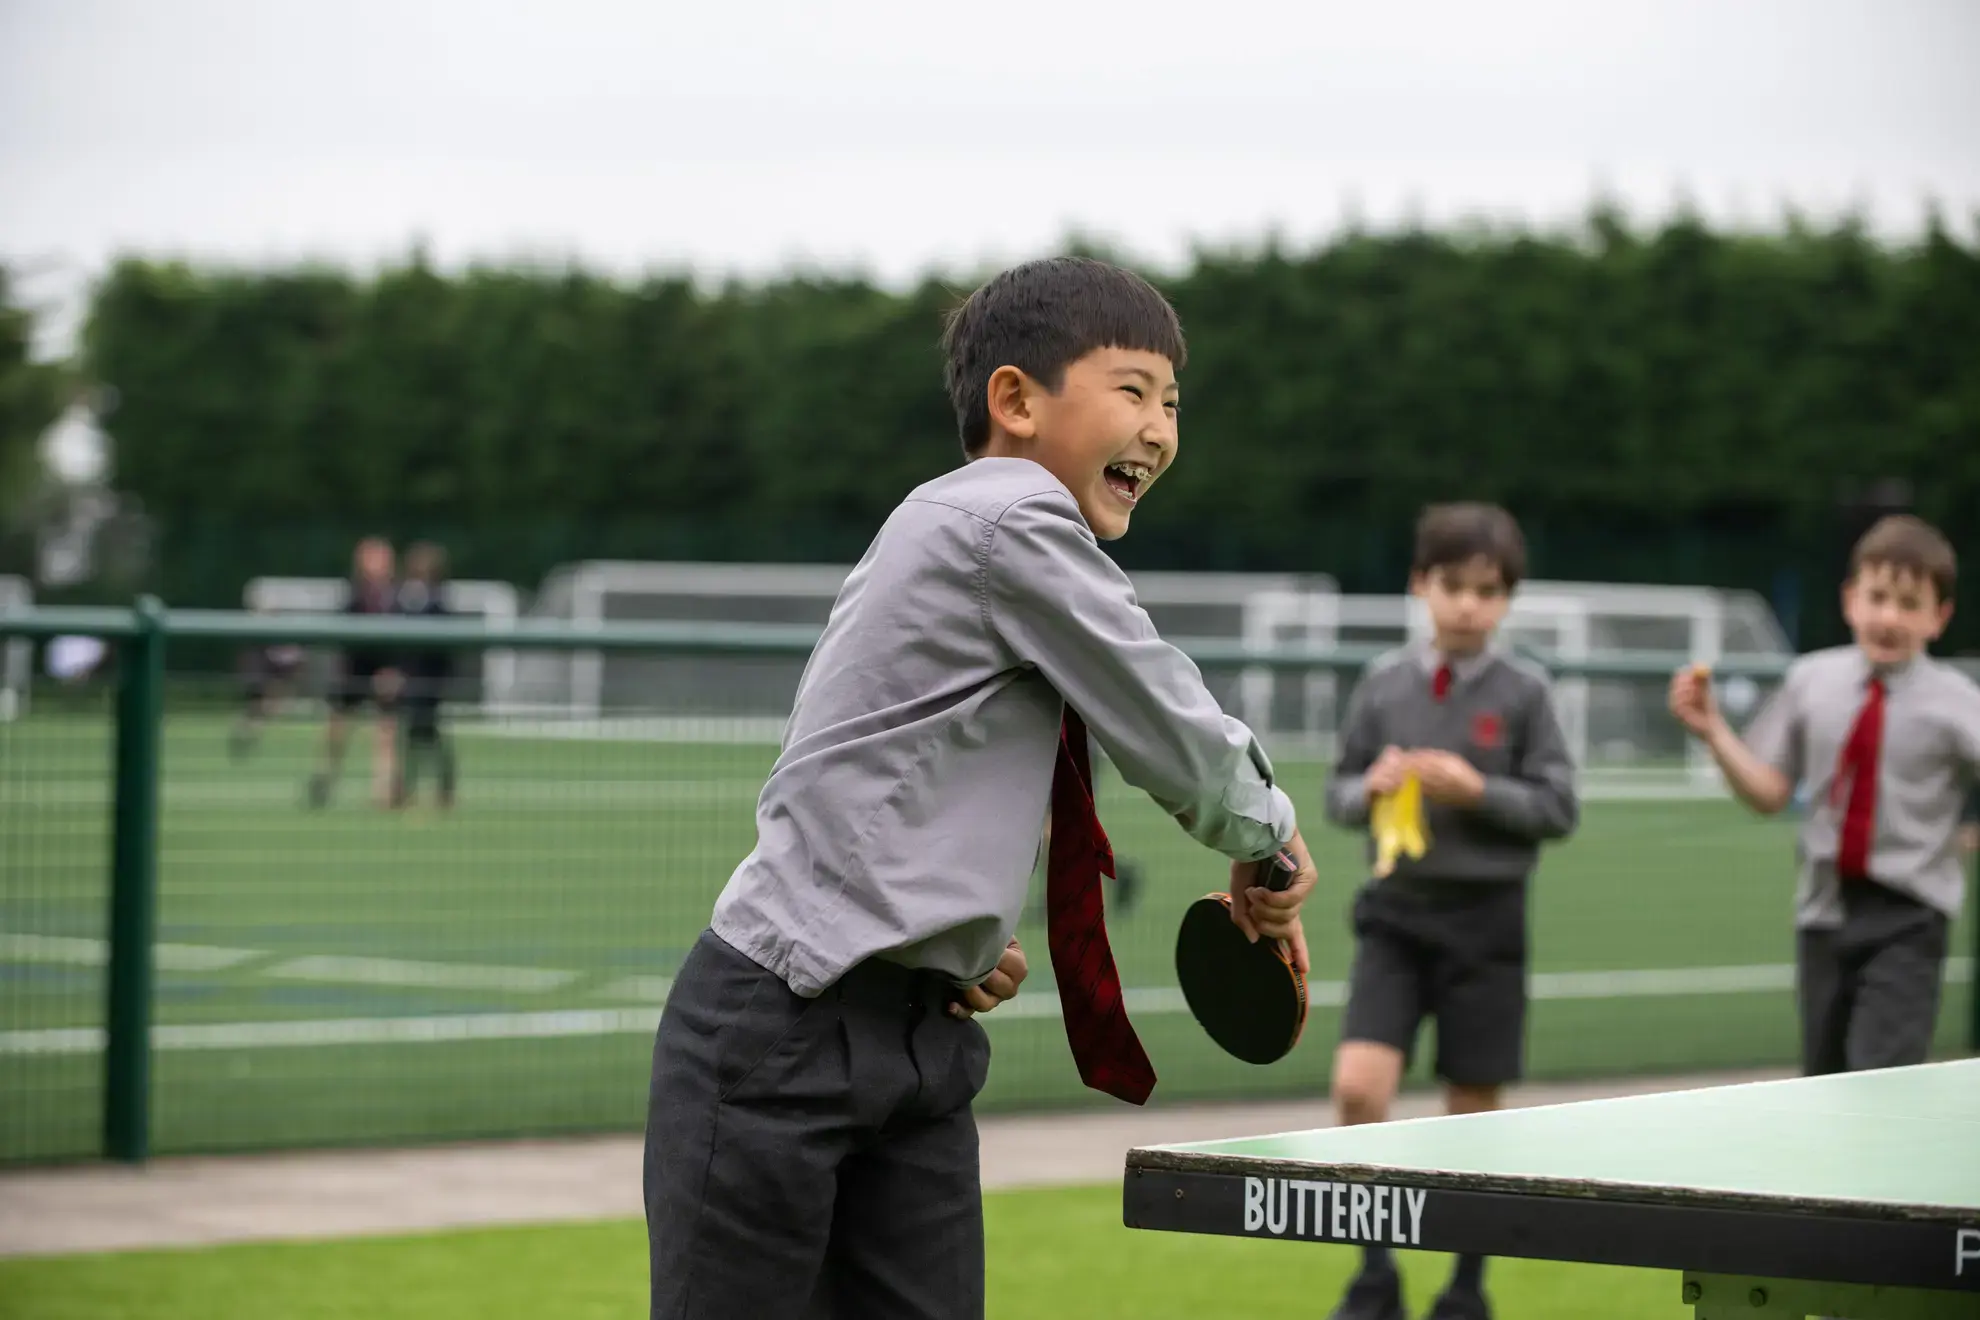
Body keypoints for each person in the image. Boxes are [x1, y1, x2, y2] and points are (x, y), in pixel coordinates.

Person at [642, 256, 1318, 1320]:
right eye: (1132, 390)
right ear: (1015, 402)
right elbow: (1161, 708)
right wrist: (1265, 831)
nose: (1159, 427)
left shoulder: (967, 542)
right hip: (779, 1037)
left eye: (1173, 401)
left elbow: (879, 769)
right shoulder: (1008, 523)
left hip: (923, 1042)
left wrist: (943, 932)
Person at [1321, 502, 1580, 1320]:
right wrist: (1370, 788)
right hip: (1394, 917)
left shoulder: (1527, 691)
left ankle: (1466, 1288)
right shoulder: (1383, 683)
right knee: (1359, 1089)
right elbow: (1336, 791)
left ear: (1506, 600)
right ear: (1418, 585)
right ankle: (1374, 1274)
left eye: (1487, 590)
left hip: (1488, 924)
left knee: (1471, 1119)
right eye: (1452, 585)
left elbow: (1559, 807)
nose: (1469, 604)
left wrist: (1479, 791)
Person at [1670, 514, 1980, 1077]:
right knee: (1824, 1084)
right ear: (1849, 600)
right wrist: (1713, 730)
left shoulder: (1958, 701)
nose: (1888, 616)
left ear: (1940, 617)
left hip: (1910, 916)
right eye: (1877, 597)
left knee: (1881, 1084)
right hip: (1823, 911)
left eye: (1909, 603)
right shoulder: (1810, 681)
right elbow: (1768, 792)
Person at [307, 536, 402, 808]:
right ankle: (324, 778)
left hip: (384, 670)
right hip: (352, 670)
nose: (380, 564)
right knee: (336, 729)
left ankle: (383, 791)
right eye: (374, 558)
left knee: (386, 732)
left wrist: (393, 671)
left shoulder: (397, 595)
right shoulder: (354, 594)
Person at [391, 541, 458, 811]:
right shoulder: (404, 599)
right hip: (410, 680)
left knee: (427, 735)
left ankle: (441, 788)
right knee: (412, 736)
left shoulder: (438, 602)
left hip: (429, 682)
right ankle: (408, 789)